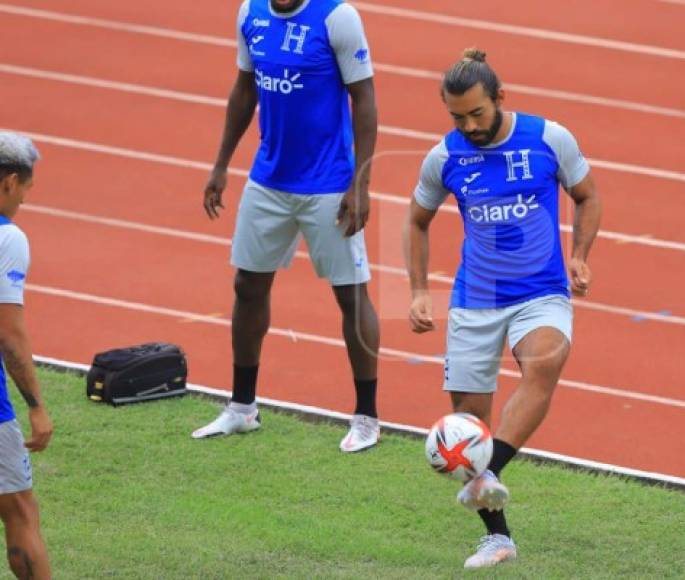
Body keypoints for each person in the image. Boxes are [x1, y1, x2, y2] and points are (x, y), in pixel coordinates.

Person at [405, 49, 602, 569]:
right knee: (469, 422)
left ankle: (486, 475)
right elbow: (417, 220)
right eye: (457, 116)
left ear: (500, 98)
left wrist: (579, 256)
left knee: (544, 363)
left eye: (477, 113)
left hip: (541, 292)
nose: (468, 125)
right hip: (476, 300)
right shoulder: (444, 158)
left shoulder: (548, 138)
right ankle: (498, 539)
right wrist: (419, 289)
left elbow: (587, 195)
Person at [194, 0, 382, 452]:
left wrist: (360, 183)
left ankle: (367, 418)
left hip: (328, 185)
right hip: (268, 180)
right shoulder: (250, 14)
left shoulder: (338, 17)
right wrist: (221, 165)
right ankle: (242, 409)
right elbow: (245, 89)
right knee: (248, 286)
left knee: (350, 294)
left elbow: (364, 99)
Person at [0, 132, 53, 579]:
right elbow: (9, 332)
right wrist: (36, 406)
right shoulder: (8, 238)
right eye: (25, 191)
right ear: (9, 183)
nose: (23, 201)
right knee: (19, 508)